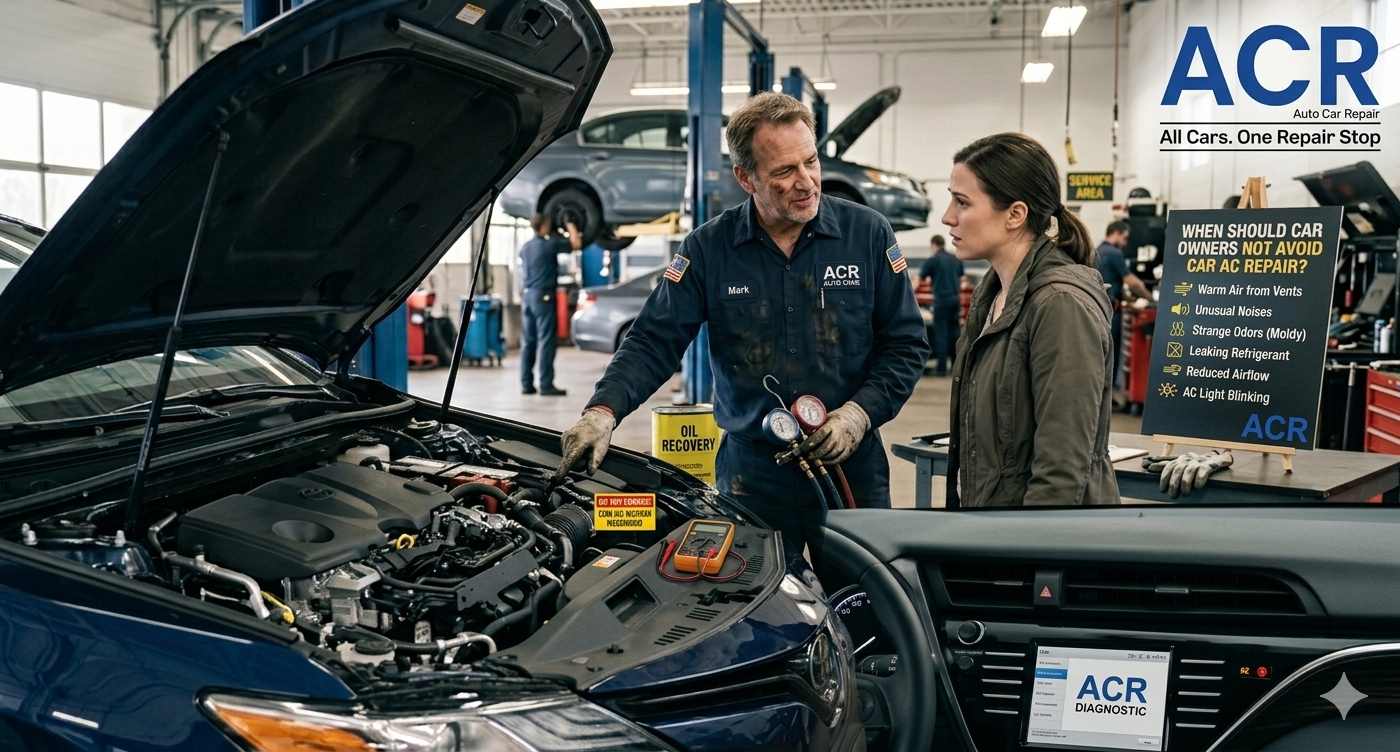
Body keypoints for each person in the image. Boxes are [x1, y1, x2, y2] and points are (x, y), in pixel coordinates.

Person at [556, 92, 928, 552]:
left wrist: (858, 415)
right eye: (783, 172)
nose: (807, 182)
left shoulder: (868, 234)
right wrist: (602, 412)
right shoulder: (709, 249)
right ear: (745, 178)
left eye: (810, 161)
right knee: (757, 610)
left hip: (851, 465)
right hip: (753, 476)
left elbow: (906, 344)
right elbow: (653, 340)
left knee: (863, 606)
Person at [942, 133, 1119, 507]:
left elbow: (1061, 471)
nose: (947, 217)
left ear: (1016, 214)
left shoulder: (1060, 306)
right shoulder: (991, 297)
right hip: (997, 540)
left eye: (962, 202)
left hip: (1041, 552)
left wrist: (1029, 558)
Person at [519, 214, 580, 396]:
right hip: (543, 297)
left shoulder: (525, 247)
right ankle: (546, 385)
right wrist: (571, 225)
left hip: (527, 296)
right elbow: (575, 244)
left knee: (528, 342)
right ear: (544, 227)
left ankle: (526, 384)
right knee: (546, 341)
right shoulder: (548, 245)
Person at [1094, 220, 1152, 389]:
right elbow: (1133, 283)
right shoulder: (1113, 253)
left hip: (1098, 309)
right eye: (1125, 238)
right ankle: (1108, 394)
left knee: (1100, 353)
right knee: (1111, 353)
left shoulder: (1098, 251)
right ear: (1116, 233)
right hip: (1112, 311)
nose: (1125, 243)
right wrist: (1152, 299)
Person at [918, 234, 966, 376]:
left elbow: (920, 279)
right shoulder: (955, 259)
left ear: (934, 245)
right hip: (954, 300)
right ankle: (957, 367)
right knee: (955, 333)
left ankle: (941, 368)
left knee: (941, 334)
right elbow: (963, 279)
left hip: (941, 301)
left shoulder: (933, 260)